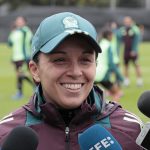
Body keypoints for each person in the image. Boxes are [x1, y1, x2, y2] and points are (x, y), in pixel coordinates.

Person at [0, 12, 143, 150]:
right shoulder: (6, 134)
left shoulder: (132, 131)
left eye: (85, 60)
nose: (75, 72)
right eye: (60, 60)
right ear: (35, 70)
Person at [8, 16, 34, 99]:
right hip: (16, 57)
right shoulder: (15, 32)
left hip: (23, 57)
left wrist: (26, 56)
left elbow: (30, 41)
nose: (18, 22)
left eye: (20, 21)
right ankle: (20, 92)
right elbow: (10, 44)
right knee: (19, 75)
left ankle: (34, 88)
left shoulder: (25, 30)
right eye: (17, 20)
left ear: (24, 22)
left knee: (21, 74)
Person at [95, 29, 124, 102]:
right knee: (117, 93)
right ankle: (113, 111)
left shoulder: (100, 44)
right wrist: (120, 77)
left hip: (94, 72)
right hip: (103, 74)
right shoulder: (108, 45)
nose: (112, 37)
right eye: (112, 35)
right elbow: (111, 63)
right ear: (108, 36)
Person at [118, 16, 143, 87]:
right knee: (126, 65)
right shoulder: (122, 30)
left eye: (128, 21)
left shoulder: (135, 29)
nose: (127, 23)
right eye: (125, 22)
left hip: (133, 51)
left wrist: (134, 50)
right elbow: (119, 36)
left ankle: (139, 80)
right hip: (126, 51)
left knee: (136, 65)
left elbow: (137, 40)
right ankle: (126, 80)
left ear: (131, 21)